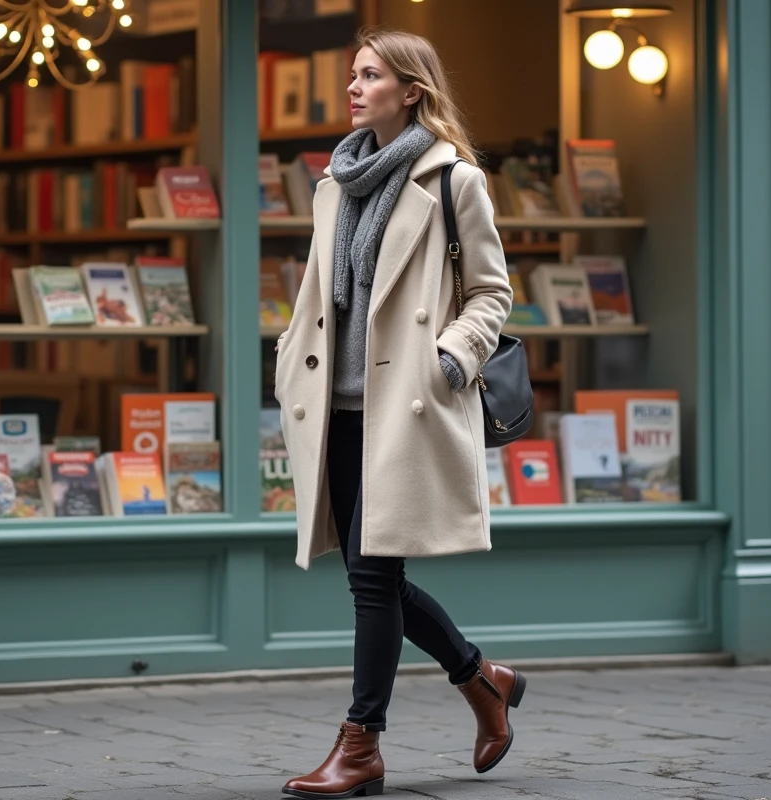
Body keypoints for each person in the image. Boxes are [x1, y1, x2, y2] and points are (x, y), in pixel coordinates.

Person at [273, 26, 524, 800]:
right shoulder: (334, 182)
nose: (353, 87)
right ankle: (482, 679)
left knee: (375, 580)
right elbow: (323, 299)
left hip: (405, 406)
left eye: (371, 75)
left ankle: (361, 746)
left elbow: (492, 292)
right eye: (353, 74)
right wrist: (288, 359)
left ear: (411, 90)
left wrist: (451, 356)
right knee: (367, 575)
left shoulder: (454, 181)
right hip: (337, 407)